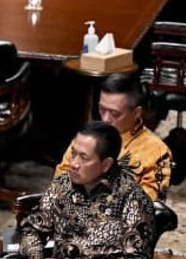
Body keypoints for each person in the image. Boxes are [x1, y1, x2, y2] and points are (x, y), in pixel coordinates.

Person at [19, 121, 156, 259]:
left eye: (84, 158)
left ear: (106, 164)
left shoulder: (133, 198)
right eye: (73, 154)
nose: (73, 164)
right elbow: (33, 229)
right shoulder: (62, 184)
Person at [53, 73, 172, 201]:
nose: (105, 119)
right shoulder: (87, 137)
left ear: (137, 112)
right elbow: (60, 180)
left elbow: (150, 204)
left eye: (114, 113)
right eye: (102, 109)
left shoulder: (157, 151)